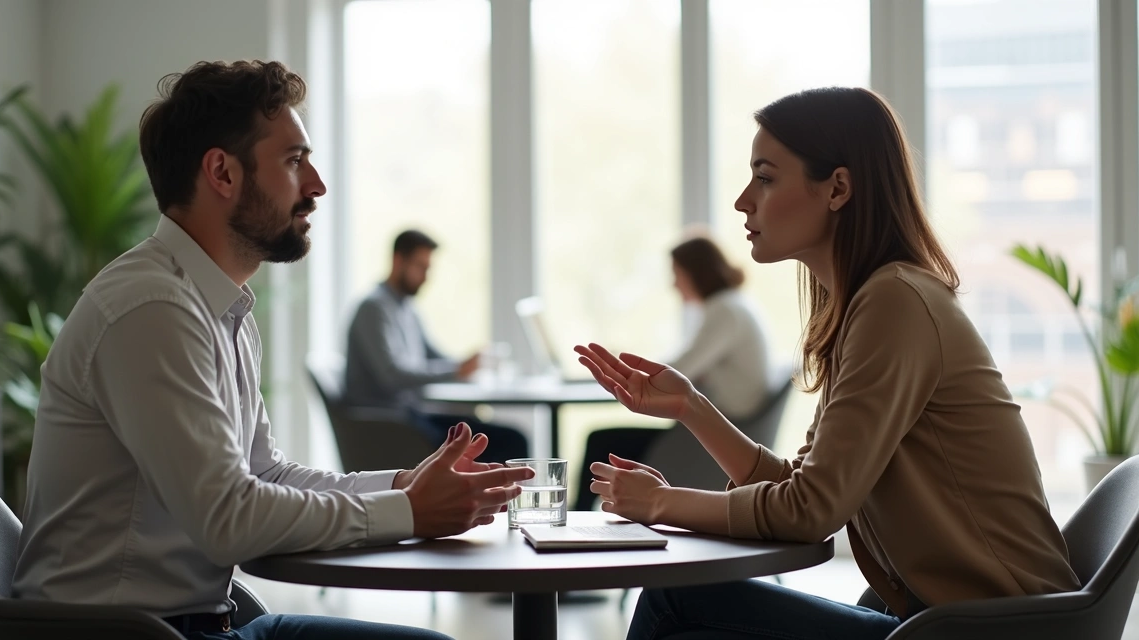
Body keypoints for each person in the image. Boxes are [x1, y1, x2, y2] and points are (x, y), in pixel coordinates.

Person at [12, 60, 534, 640]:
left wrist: (403, 486)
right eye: (293, 161)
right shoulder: (151, 309)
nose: (316, 185)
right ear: (222, 173)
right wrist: (409, 513)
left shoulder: (218, 305)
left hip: (197, 622)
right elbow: (229, 519)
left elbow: (265, 474)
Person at [575, 87, 1080, 640]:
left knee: (675, 598)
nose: (744, 201)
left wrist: (663, 503)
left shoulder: (896, 303)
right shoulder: (871, 302)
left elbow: (809, 511)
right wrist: (692, 407)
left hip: (994, 630)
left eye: (765, 178)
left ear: (837, 188)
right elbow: (802, 486)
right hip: (940, 620)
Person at [574, 234, 774, 512]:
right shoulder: (733, 305)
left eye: (677, 274)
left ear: (696, 273)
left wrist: (619, 368)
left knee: (600, 440)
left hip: (719, 432)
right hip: (727, 423)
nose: (674, 284)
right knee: (604, 439)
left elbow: (680, 370)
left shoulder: (725, 311)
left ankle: (574, 521)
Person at [344, 230, 529, 464]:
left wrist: (466, 365)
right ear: (398, 260)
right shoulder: (373, 308)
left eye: (428, 268)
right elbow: (392, 375)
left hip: (412, 416)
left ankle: (494, 500)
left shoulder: (406, 308)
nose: (426, 276)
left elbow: (432, 355)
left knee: (500, 435)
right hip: (392, 426)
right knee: (509, 441)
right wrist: (457, 370)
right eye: (421, 267)